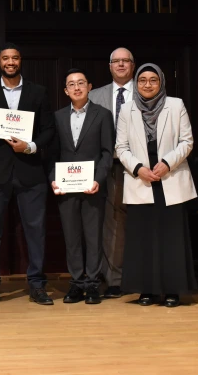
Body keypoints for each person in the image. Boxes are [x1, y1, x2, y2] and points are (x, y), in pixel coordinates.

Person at [0, 43, 55, 306]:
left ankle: (37, 285)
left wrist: (30, 146)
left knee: (35, 231)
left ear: (21, 61)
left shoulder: (38, 92)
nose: (10, 62)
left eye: (15, 58)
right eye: (6, 58)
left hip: (30, 172)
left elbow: (48, 131)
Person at [115, 63, 197, 307]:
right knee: (143, 239)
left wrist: (166, 164)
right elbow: (121, 147)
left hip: (169, 178)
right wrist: (139, 168)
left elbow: (186, 141)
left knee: (171, 238)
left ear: (161, 82)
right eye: (142, 80)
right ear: (136, 84)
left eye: (153, 80)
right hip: (141, 179)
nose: (147, 84)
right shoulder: (126, 109)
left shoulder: (176, 105)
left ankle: (172, 290)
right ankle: (146, 290)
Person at [50, 68, 115, 305]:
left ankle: (93, 286)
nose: (76, 87)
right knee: (72, 238)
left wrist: (98, 179)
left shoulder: (103, 115)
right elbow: (52, 155)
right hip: (66, 189)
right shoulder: (56, 117)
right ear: (66, 91)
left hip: (93, 188)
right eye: (71, 84)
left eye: (81, 83)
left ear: (89, 87)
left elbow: (108, 153)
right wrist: (53, 179)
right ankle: (76, 284)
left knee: (93, 237)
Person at [88, 47, 135, 298]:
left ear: (132, 65)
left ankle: (141, 274)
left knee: (137, 221)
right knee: (110, 223)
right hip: (106, 166)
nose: (120, 65)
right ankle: (113, 278)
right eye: (115, 61)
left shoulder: (146, 91)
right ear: (109, 66)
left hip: (141, 167)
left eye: (125, 61)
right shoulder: (94, 96)